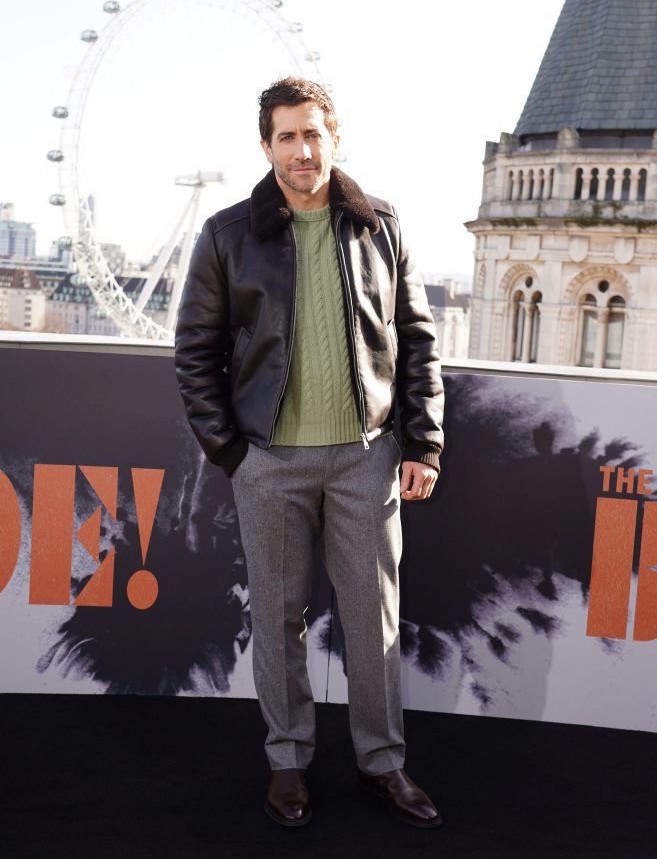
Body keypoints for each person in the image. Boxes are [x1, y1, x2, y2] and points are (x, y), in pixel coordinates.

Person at [174, 77, 445, 830]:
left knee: (374, 621)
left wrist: (422, 441)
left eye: (312, 134)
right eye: (286, 136)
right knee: (277, 620)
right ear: (266, 147)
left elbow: (417, 341)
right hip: (268, 462)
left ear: (334, 138)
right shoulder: (228, 234)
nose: (302, 150)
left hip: (367, 457)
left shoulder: (380, 225)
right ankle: (287, 762)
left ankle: (382, 764)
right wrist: (233, 453)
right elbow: (194, 351)